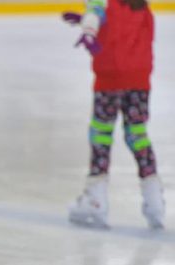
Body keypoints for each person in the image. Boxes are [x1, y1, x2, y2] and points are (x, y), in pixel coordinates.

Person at [63, 0, 164, 229]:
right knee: (137, 134)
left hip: (109, 80)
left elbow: (96, 14)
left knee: (101, 134)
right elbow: (126, 30)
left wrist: (89, 30)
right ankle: (154, 198)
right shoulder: (142, 6)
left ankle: (95, 198)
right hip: (139, 82)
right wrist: (87, 23)